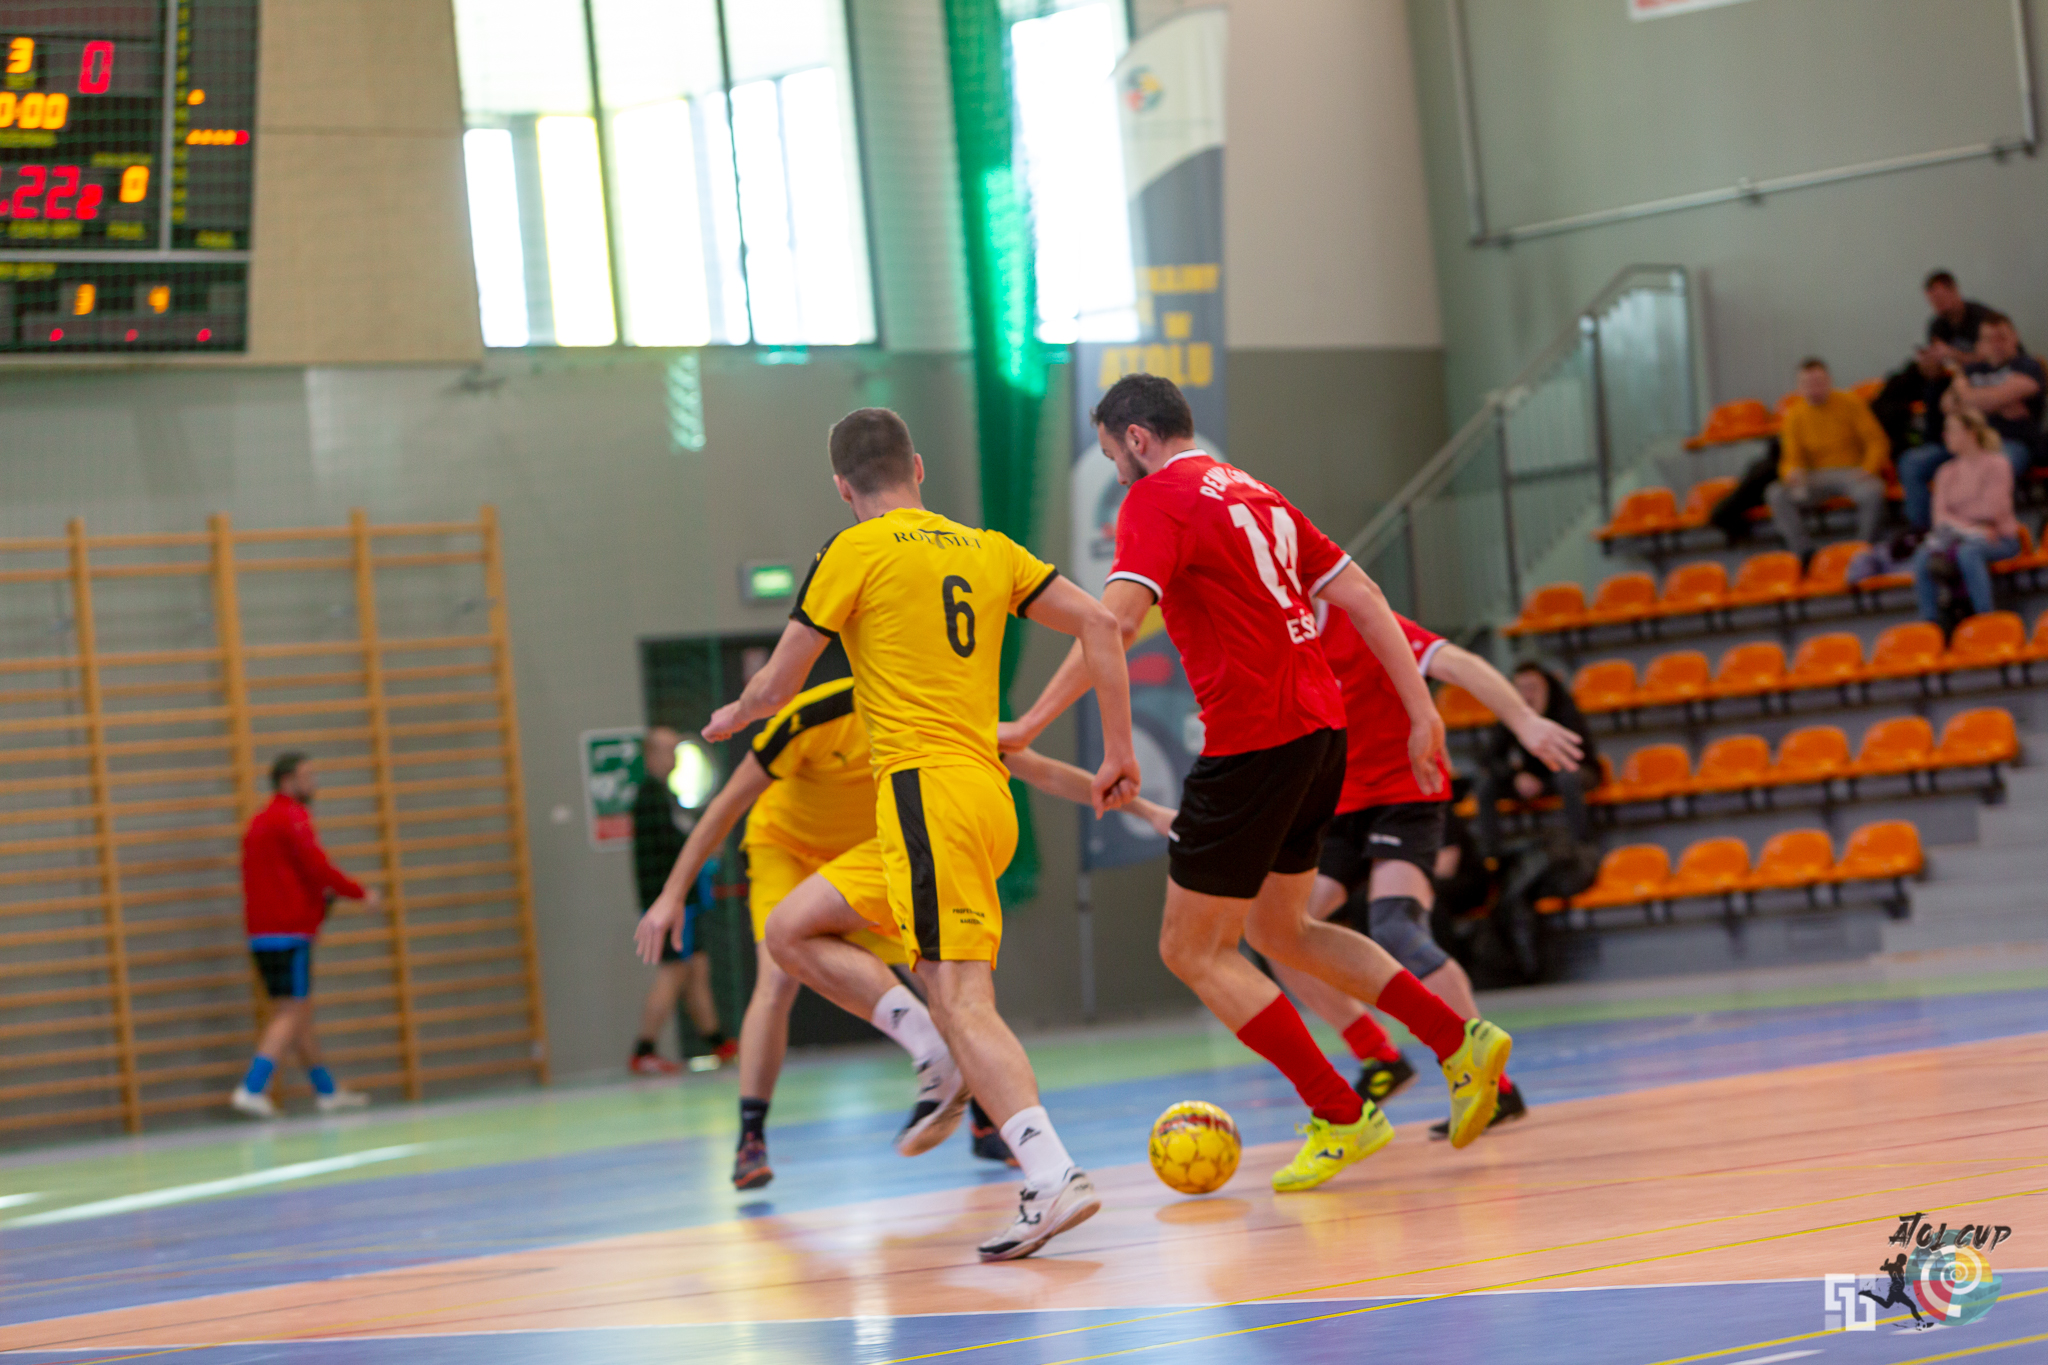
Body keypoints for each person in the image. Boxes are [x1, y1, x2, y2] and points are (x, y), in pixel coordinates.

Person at [1003, 373, 1514, 1195]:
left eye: (1112, 456)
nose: (1118, 475)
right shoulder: (1256, 492)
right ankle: (1461, 1038)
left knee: (1189, 948)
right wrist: (1422, 711)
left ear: (1137, 439)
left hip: (1253, 740)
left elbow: (1112, 624)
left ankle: (1341, 1112)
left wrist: (1043, 726)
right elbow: (1365, 596)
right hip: (1322, 733)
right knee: (1284, 930)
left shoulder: (1158, 497)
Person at [700, 406, 1139, 1263]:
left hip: (922, 798)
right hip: (982, 800)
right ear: (920, 467)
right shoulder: (990, 547)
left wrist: (736, 713)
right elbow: (1101, 623)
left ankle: (1051, 1173)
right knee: (789, 927)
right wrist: (1117, 749)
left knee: (964, 995)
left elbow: (779, 685)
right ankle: (930, 1046)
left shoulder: (852, 549)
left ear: (842, 487)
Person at [638, 675, 1172, 1190]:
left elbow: (1040, 771)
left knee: (937, 973)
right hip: (786, 848)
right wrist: (671, 894)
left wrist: (1147, 811)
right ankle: (751, 1138)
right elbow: (727, 804)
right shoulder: (815, 716)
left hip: (869, 850)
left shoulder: (932, 713)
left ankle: (985, 1119)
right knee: (777, 978)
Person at [1262, 605, 1581, 1137]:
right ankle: (1378, 1056)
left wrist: (1524, 722)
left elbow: (1459, 663)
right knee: (1277, 934)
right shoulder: (1271, 639)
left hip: (1405, 794)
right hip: (1337, 808)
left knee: (1395, 927)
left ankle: (1495, 1085)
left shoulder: (1357, 614)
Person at [229, 752, 377, 1118]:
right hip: (288, 932)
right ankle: (252, 1087)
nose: (314, 783)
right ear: (287, 781)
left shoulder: (260, 821)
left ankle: (326, 1091)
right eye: (307, 776)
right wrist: (359, 893)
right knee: (291, 1012)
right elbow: (316, 866)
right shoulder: (291, 817)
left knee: (299, 1012)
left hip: (262, 932)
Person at [626, 726, 729, 1075]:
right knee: (674, 971)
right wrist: (706, 849)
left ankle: (718, 1043)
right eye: (669, 750)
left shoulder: (666, 796)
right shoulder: (650, 798)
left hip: (686, 903)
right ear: (652, 754)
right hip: (671, 907)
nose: (674, 758)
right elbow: (672, 850)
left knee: (697, 968)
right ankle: (644, 1049)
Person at [1899, 313, 2042, 530]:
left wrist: (1965, 393)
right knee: (1912, 462)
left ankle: (1982, 529)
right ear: (1980, 344)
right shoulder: (1972, 369)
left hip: (2009, 442)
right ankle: (1925, 530)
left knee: (1996, 464)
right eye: (1989, 339)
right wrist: (1997, 402)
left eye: (2002, 338)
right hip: (1965, 442)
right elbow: (1946, 405)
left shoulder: (2028, 366)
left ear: (2014, 337)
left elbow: (1996, 396)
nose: (1996, 344)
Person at [1763, 358, 1889, 562]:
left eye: (1818, 382)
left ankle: (1864, 550)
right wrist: (1791, 473)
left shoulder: (1850, 403)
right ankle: (1804, 553)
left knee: (1873, 491)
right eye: (1807, 384)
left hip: (1852, 472)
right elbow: (1790, 458)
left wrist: (1869, 467)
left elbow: (1876, 441)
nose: (1813, 388)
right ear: (1799, 387)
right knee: (1776, 493)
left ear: (1829, 381)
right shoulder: (1794, 415)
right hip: (1813, 477)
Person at [1473, 662, 1599, 858]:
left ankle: (1582, 848)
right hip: (1532, 777)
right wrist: (1516, 776)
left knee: (1567, 777)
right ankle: (1493, 858)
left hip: (1570, 772)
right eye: (1521, 689)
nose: (1527, 695)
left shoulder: (1565, 709)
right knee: (1484, 785)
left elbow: (1578, 755)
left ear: (1547, 688)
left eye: (1532, 688)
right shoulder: (1513, 715)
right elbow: (1488, 758)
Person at [1911, 409, 2022, 624]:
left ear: (1971, 433)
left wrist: (1958, 523)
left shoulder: (1998, 464)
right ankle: (1931, 623)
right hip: (1962, 537)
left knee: (1968, 552)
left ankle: (1985, 618)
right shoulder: (1945, 472)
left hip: (2000, 538)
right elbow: (1939, 517)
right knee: (1922, 555)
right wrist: (1970, 529)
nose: (1946, 436)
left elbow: (1991, 510)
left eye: (1952, 430)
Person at [1872, 271, 1995, 455]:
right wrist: (1928, 364)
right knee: (1897, 383)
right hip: (1948, 374)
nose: (1938, 305)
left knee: (1934, 391)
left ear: (1954, 291)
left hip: (1979, 376)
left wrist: (1952, 353)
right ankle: (1900, 443)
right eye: (1934, 301)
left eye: (1941, 298)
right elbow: (1939, 367)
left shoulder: (1981, 318)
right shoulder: (1938, 324)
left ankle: (1934, 443)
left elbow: (1990, 359)